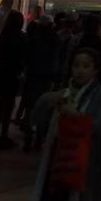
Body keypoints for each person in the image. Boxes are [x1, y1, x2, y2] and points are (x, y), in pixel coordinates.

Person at [32, 47, 101, 201]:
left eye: (86, 66)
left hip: (83, 166)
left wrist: (76, 116)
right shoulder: (62, 94)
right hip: (57, 164)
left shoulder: (100, 94)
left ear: (95, 70)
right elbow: (37, 121)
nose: (80, 70)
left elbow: (99, 127)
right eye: (76, 65)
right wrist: (44, 100)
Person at [22, 14, 62, 152]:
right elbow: (56, 58)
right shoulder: (54, 39)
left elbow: (26, 57)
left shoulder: (33, 38)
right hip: (47, 78)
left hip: (32, 76)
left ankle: (28, 139)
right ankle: (39, 140)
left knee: (30, 107)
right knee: (44, 108)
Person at [0, 10, 26, 149]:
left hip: (1, 73)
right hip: (12, 75)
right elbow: (23, 56)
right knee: (8, 106)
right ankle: (3, 135)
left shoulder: (2, 37)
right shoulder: (20, 37)